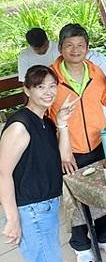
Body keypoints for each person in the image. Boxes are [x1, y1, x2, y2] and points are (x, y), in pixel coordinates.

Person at [48, 23, 106, 262]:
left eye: (80, 45)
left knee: (104, 193)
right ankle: (81, 245)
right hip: (68, 150)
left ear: (87, 48)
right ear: (61, 48)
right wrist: (60, 150)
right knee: (76, 199)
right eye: (70, 45)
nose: (75, 50)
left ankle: (105, 237)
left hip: (98, 142)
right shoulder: (51, 77)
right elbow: (43, 113)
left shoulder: (94, 70)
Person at [0, 66, 78, 262]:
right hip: (32, 210)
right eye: (40, 86)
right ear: (27, 90)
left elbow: (64, 158)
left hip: (47, 204)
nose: (48, 92)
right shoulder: (20, 125)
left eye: (52, 86)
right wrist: (12, 218)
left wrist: (62, 123)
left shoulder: (46, 121)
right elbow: (3, 173)